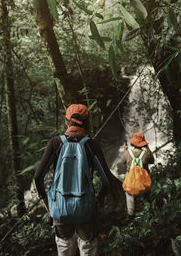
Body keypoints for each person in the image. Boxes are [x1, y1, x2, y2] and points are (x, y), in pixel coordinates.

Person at [34, 104, 120, 256]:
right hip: (85, 209)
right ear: (87, 123)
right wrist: (98, 200)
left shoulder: (56, 143)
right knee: (87, 247)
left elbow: (38, 177)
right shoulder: (91, 145)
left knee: (64, 248)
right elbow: (107, 180)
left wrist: (46, 200)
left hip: (60, 208)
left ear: (67, 121)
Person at [121, 132, 154, 216]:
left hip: (131, 182)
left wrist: (125, 149)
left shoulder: (127, 153)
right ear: (143, 143)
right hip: (143, 182)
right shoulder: (146, 154)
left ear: (132, 143)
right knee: (146, 194)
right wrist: (147, 148)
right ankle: (147, 212)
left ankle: (130, 214)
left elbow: (122, 162)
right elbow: (152, 161)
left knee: (129, 195)